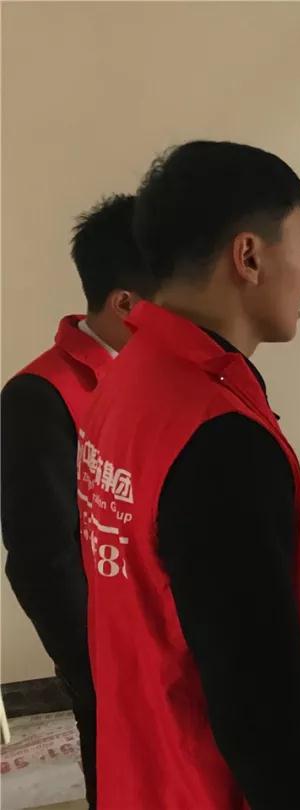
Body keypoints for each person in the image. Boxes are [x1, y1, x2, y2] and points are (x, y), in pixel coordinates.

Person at [77, 141, 300, 809]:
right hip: (215, 788)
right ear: (248, 256)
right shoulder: (217, 439)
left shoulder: (127, 383)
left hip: (154, 768)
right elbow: (258, 706)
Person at [1, 193, 155, 807]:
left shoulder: (166, 381)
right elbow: (42, 560)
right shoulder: (40, 397)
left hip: (179, 650)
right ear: (125, 304)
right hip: (115, 665)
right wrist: (99, 673)